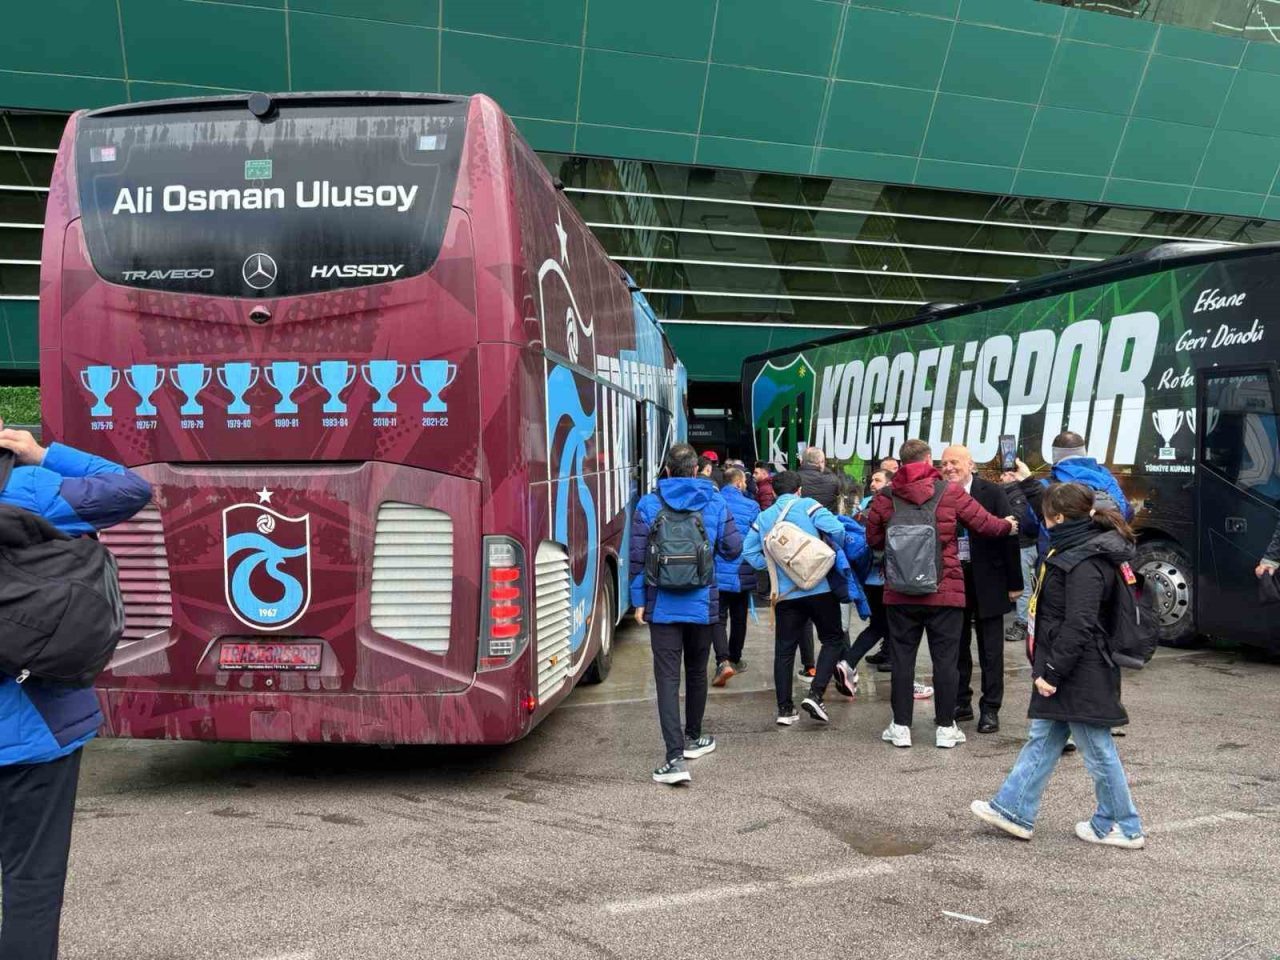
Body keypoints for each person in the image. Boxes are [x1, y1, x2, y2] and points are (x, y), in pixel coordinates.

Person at [0, 420, 153, 957]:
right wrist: (41, 453)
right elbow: (130, 488)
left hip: (32, 732)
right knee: (31, 884)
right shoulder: (29, 489)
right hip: (34, 730)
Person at [970, 482, 1146, 849]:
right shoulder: (1077, 549)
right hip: (1071, 665)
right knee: (1045, 737)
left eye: (1046, 515)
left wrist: (1052, 672)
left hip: (1078, 670)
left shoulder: (1083, 560)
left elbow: (1079, 623)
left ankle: (1122, 824)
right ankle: (1014, 809)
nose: (1042, 520)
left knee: (1097, 750)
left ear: (1059, 518)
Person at [863, 439, 1017, 749]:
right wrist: (1007, 526)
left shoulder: (885, 497)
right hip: (944, 592)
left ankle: (901, 726)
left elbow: (874, 540)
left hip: (900, 592)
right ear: (928, 460)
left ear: (900, 464)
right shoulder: (950, 492)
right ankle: (946, 728)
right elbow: (985, 525)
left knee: (903, 660)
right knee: (946, 661)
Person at [631, 443, 742, 786]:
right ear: (696, 470)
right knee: (696, 671)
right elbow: (733, 548)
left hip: (662, 604)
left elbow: (637, 558)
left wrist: (638, 601)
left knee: (667, 679)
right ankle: (694, 737)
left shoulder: (648, 504)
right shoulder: (715, 501)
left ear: (666, 471)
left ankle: (674, 759)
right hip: (702, 603)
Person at [743, 470, 847, 726]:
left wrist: (774, 567)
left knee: (784, 651)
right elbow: (837, 529)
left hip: (786, 594)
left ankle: (785, 709)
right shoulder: (809, 506)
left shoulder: (764, 517)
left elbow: (748, 551)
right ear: (799, 490)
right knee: (833, 639)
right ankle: (816, 693)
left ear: (774, 492)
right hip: (820, 588)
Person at [940, 446, 1023, 735]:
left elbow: (1010, 535)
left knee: (991, 650)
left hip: (990, 579)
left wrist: (1015, 583)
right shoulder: (938, 493)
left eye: (955, 462)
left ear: (971, 464)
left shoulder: (993, 492)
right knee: (957, 645)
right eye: (944, 463)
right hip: (953, 580)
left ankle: (990, 708)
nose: (949, 468)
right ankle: (961, 702)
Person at [712, 467, 760, 686]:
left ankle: (722, 661)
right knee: (739, 617)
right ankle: (735, 658)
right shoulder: (751, 506)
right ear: (740, 483)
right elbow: (757, 538)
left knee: (718, 617)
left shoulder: (714, 502)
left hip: (717, 571)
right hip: (742, 570)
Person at [1001, 470, 1040, 646]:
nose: (1001, 478)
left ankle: (1022, 624)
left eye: (1005, 474)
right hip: (1026, 545)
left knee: (1023, 588)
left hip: (1023, 546)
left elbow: (1017, 518)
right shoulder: (1015, 493)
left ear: (1012, 475)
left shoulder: (1017, 495)